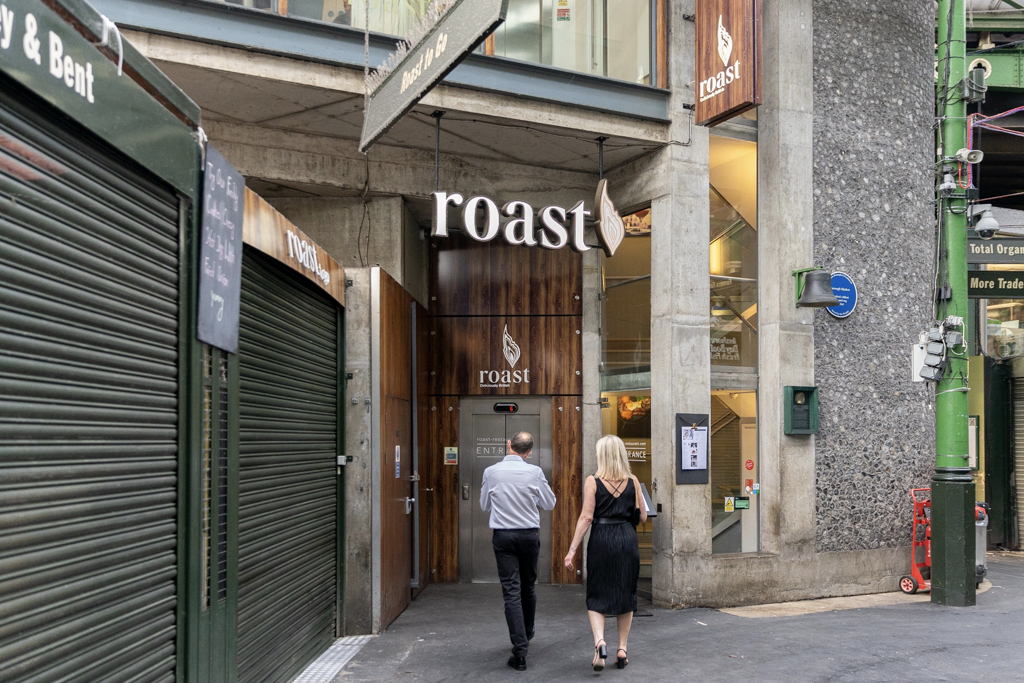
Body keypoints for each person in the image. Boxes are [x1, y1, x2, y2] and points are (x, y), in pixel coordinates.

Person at [563, 435, 646, 671]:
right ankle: (622, 649)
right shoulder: (633, 481)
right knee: (626, 593)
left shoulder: (593, 481)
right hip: (627, 540)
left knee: (597, 593)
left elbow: (586, 517)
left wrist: (572, 550)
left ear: (601, 455)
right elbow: (642, 516)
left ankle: (600, 643)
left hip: (602, 539)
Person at [479, 431, 557, 672]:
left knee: (511, 591)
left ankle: (520, 650)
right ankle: (528, 631)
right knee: (528, 587)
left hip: (503, 536)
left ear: (508, 445)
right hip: (529, 535)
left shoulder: (491, 472)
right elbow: (549, 503)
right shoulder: (535, 472)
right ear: (529, 452)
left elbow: (484, 505)